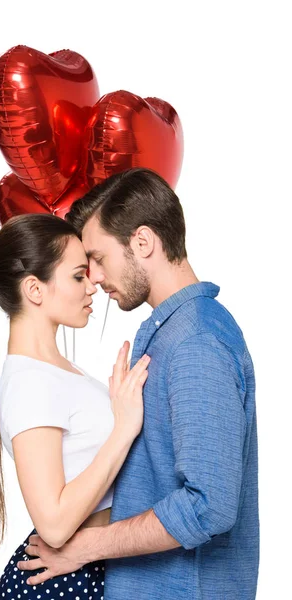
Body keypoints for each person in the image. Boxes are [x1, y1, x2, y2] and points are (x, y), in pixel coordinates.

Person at [17, 168, 260, 600]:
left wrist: (88, 547)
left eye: (98, 257)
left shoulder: (197, 342)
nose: (92, 276)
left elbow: (210, 505)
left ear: (142, 243)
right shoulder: (171, 333)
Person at [0, 212, 151, 599]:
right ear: (35, 290)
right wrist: (123, 429)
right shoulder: (29, 382)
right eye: (78, 276)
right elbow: (55, 525)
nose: (93, 284)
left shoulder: (54, 372)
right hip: (64, 584)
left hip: (87, 570)